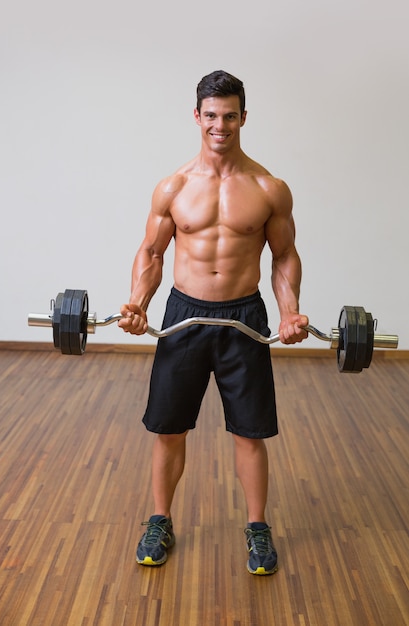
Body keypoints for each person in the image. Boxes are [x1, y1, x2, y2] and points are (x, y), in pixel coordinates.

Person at [119, 70, 309, 575]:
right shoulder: (174, 186)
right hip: (184, 315)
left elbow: (284, 256)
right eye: (210, 116)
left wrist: (290, 313)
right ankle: (160, 519)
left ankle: (257, 527)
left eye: (229, 116)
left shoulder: (269, 187)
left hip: (243, 316)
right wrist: (138, 301)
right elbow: (152, 252)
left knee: (249, 434)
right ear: (196, 116)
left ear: (244, 117)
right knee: (169, 429)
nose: (219, 125)